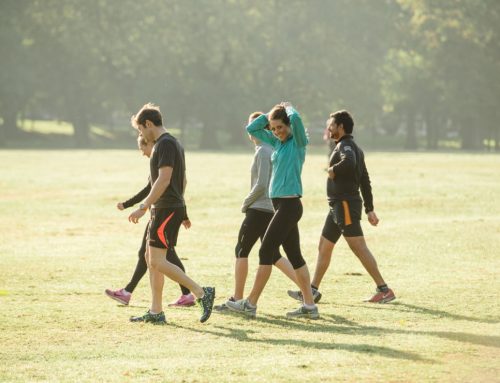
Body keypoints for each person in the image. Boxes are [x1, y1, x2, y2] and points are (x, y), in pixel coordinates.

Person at [287, 110, 395, 304]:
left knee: (359, 247)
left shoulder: (346, 147)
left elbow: (350, 164)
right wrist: (369, 208)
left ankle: (384, 289)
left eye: (332, 124)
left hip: (345, 205)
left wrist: (332, 170)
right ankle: (312, 291)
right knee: (324, 247)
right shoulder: (352, 147)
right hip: (337, 207)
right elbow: (365, 180)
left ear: (341, 127)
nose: (329, 128)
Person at [227, 102, 319, 319]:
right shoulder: (277, 144)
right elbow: (252, 129)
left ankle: (250, 304)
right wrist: (270, 115)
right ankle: (310, 305)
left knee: (265, 251)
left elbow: (295, 120)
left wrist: (288, 108)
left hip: (289, 205)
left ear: (288, 125)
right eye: (274, 128)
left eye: (280, 127)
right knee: (295, 256)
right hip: (281, 206)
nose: (277, 132)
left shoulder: (298, 142)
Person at [127, 103, 215, 324]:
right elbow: (182, 180)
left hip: (166, 209)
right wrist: (181, 209)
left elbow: (164, 179)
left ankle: (201, 293)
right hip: (165, 208)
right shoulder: (171, 143)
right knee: (150, 258)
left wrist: (143, 205)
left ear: (148, 124)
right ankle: (156, 311)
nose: (141, 135)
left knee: (157, 260)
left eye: (140, 130)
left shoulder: (164, 144)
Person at [215, 112, 298, 311]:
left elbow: (261, 184)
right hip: (272, 208)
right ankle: (307, 289)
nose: (250, 132)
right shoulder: (272, 148)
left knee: (241, 250)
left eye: (254, 127)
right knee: (274, 255)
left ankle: (236, 298)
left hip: (259, 208)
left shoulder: (262, 150)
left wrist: (246, 202)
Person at [105, 135, 195, 307]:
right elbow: (164, 186)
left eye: (142, 148)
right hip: (162, 211)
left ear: (149, 143)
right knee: (148, 253)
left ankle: (195, 292)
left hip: (165, 211)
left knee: (162, 255)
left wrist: (135, 206)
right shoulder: (165, 155)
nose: (143, 153)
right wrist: (128, 204)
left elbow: (164, 186)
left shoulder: (163, 152)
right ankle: (130, 292)